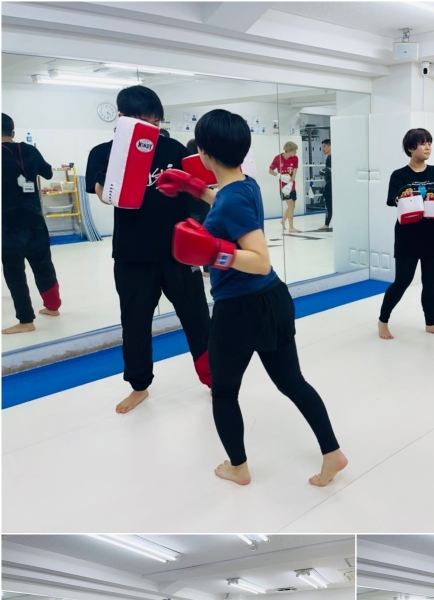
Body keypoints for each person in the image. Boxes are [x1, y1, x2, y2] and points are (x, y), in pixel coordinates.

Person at [156, 109, 347, 488]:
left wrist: (214, 252)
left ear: (203, 152)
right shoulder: (247, 185)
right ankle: (333, 453)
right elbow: (226, 202)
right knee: (292, 382)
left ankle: (238, 467)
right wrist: (195, 188)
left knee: (224, 391)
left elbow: (259, 261)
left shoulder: (232, 201)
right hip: (272, 300)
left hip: (238, 308)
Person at [86, 85, 212, 414]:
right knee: (135, 322)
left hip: (180, 251)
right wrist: (124, 164)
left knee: (198, 318)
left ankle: (215, 378)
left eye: (156, 122)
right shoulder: (103, 153)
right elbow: (104, 195)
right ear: (122, 117)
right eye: (143, 121)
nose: (151, 128)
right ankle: (139, 386)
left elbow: (202, 188)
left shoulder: (175, 150)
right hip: (133, 255)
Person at [378, 127, 434, 341]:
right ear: (411, 148)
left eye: (429, 142)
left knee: (430, 283)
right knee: (402, 281)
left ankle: (431, 323)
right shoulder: (399, 175)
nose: (428, 147)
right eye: (423, 143)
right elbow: (393, 199)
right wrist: (403, 193)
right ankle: (383, 321)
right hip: (408, 236)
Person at [2, 113, 61, 335]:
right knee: (43, 263)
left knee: (14, 271)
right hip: (35, 217)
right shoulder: (29, 150)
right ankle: (53, 307)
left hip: (9, 222)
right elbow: (47, 172)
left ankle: (26, 320)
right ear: (13, 132)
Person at [186, 138, 213, 278]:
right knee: (206, 238)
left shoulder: (185, 166)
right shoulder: (205, 165)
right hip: (203, 206)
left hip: (192, 207)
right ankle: (207, 269)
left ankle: (194, 268)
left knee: (193, 240)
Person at [269, 141, 301, 233]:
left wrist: (291, 181)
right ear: (289, 150)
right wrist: (280, 176)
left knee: (293, 206)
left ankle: (283, 221)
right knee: (291, 206)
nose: (296, 152)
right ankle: (291, 227)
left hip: (291, 185)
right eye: (294, 150)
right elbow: (270, 171)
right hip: (283, 187)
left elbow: (294, 172)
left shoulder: (295, 158)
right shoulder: (277, 158)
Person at [318, 138, 333, 230]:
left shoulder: (334, 157)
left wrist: (328, 170)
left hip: (334, 185)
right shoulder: (328, 158)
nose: (323, 148)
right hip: (329, 184)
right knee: (328, 205)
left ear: (329, 146)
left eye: (324, 146)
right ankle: (326, 224)